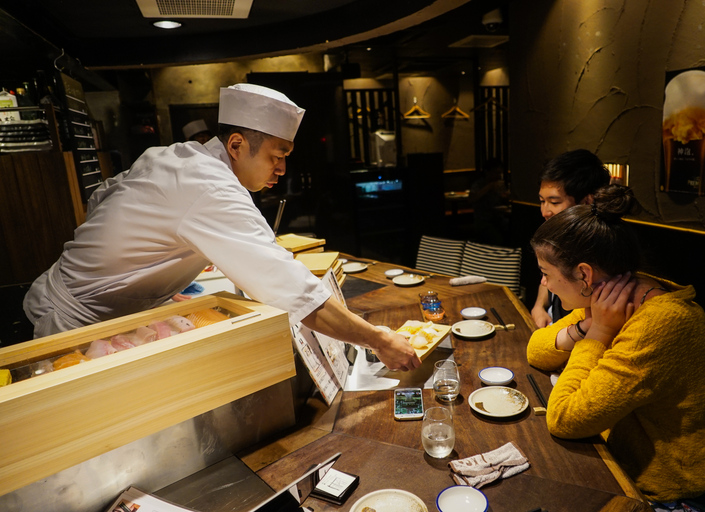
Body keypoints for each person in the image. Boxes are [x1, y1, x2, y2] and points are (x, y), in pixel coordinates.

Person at [23, 83, 420, 371]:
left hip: (89, 303)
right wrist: (378, 339)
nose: (281, 169)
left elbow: (101, 198)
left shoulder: (174, 155)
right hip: (72, 323)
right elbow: (287, 285)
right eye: (276, 156)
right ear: (235, 145)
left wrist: (148, 274)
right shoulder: (209, 185)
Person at [526, 185, 705, 511]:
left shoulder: (658, 324)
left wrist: (597, 335)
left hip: (701, 492)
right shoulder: (613, 291)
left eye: (546, 273)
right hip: (641, 470)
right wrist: (583, 327)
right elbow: (536, 350)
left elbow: (565, 418)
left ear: (583, 274)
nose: (544, 285)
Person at [530, 149, 611, 328]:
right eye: (542, 201)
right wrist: (539, 306)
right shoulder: (557, 231)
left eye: (555, 202)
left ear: (587, 201)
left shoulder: (598, 247)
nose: (545, 212)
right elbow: (548, 274)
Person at [468, 158, 510, 245]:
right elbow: (471, 199)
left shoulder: (499, 184)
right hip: (483, 220)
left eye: (500, 173)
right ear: (487, 172)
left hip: (498, 219)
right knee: (497, 240)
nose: (499, 176)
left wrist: (506, 196)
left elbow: (503, 199)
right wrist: (489, 187)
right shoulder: (479, 184)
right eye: (497, 173)